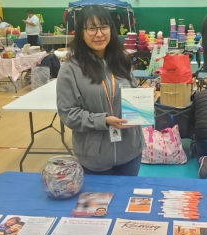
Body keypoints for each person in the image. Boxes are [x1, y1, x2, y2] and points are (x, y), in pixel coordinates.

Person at [56, 5, 144, 176]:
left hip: (130, 151)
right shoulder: (70, 69)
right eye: (91, 28)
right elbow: (68, 114)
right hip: (94, 158)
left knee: (126, 200)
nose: (99, 34)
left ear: (111, 29)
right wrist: (103, 120)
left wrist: (143, 103)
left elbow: (132, 94)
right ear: (81, 32)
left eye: (104, 27)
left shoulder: (122, 61)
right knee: (100, 202)